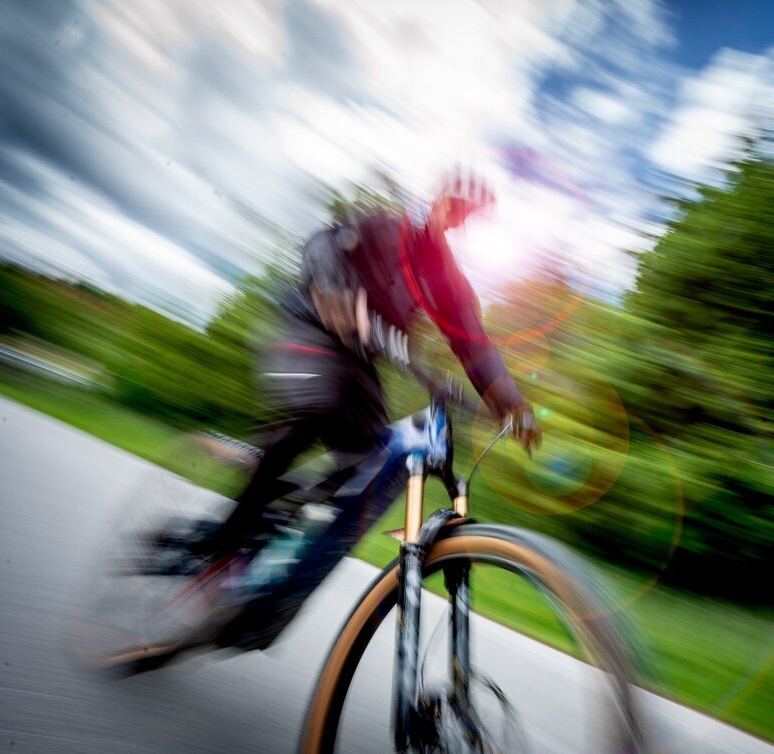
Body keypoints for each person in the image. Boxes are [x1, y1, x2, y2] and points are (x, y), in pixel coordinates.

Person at [190, 170, 541, 651]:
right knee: (321, 400)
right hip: (308, 328)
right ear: (435, 201)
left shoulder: (449, 282)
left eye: (467, 216)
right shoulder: (385, 229)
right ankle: (222, 547)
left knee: (374, 460)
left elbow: (476, 348)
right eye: (453, 205)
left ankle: (284, 534)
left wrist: (511, 403)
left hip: (357, 364)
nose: (456, 218)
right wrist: (332, 289)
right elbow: (321, 245)